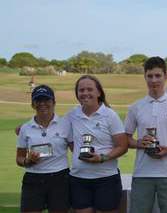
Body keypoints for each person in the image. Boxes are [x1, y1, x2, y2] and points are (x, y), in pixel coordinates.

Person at [125, 56, 167, 213]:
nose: (154, 80)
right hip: (142, 173)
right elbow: (126, 139)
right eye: (150, 76)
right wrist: (140, 143)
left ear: (166, 76)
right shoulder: (136, 107)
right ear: (145, 77)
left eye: (158, 75)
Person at [67, 75, 128, 213]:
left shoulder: (110, 115)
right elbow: (64, 137)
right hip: (79, 179)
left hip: (106, 178)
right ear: (77, 94)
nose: (85, 93)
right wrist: (24, 127)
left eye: (90, 89)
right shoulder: (72, 115)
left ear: (99, 92)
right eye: (81, 90)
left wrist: (102, 158)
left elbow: (122, 146)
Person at [16, 85, 72, 213]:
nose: (42, 104)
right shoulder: (25, 128)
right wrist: (27, 161)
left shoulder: (65, 124)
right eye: (38, 100)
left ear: (54, 102)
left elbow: (76, 150)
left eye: (46, 100)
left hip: (60, 178)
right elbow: (19, 158)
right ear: (32, 104)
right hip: (33, 178)